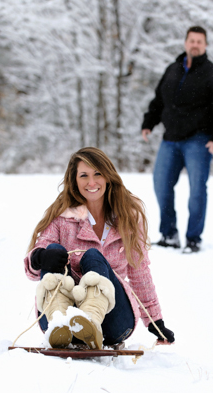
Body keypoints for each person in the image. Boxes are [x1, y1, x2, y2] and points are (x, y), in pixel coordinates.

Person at [23, 147, 175, 350]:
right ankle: (59, 321)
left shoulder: (128, 218)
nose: (91, 182)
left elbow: (139, 272)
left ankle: (90, 320)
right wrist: (41, 257)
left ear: (108, 177)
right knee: (52, 249)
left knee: (93, 256)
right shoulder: (63, 217)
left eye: (98, 174)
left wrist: (155, 321)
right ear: (75, 181)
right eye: (84, 175)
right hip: (61, 319)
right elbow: (34, 267)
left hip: (114, 322)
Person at [141, 26, 213, 254]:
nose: (195, 44)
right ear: (185, 43)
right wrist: (148, 123)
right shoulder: (172, 70)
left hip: (198, 141)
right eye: (192, 40)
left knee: (197, 190)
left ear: (205, 45)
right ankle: (169, 234)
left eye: (200, 41)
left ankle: (193, 239)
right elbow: (159, 100)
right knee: (161, 184)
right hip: (170, 139)